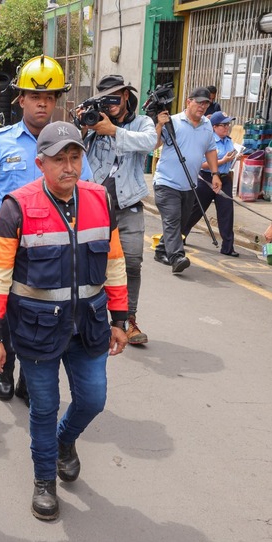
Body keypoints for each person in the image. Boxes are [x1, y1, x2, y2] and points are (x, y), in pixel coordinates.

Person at [0, 121, 128, 521]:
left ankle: (65, 442)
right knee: (43, 406)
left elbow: (114, 262)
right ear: (40, 163)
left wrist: (121, 316)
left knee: (93, 399)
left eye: (75, 156)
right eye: (59, 159)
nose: (69, 166)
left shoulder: (100, 199)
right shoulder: (15, 207)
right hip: (36, 328)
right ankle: (44, 479)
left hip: (91, 325)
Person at [0, 54, 93, 404]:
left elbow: (88, 196)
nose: (43, 103)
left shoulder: (73, 145)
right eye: (35, 96)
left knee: (44, 314)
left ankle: (30, 372)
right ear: (20, 98)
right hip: (9, 245)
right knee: (6, 312)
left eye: (50, 97)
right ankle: (5, 369)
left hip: (55, 247)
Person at [82, 75, 157, 345]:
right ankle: (94, 316)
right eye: (105, 98)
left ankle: (129, 320)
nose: (110, 103)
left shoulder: (142, 123)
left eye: (115, 97)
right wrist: (82, 127)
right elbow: (73, 155)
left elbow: (150, 142)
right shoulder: (93, 121)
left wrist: (113, 131)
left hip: (128, 207)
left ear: (126, 95)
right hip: (94, 208)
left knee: (132, 263)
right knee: (92, 263)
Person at [153, 87, 221, 273]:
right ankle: (177, 257)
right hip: (166, 183)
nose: (202, 106)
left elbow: (210, 149)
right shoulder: (173, 121)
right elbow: (154, 143)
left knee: (182, 223)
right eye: (199, 102)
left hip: (190, 184)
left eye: (206, 103)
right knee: (173, 220)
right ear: (188, 101)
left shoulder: (207, 125)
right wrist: (159, 125)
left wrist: (215, 174)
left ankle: (161, 251)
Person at [183, 111, 239, 257]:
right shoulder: (208, 141)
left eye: (228, 124)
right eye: (223, 125)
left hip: (225, 179)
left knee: (227, 212)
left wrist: (232, 160)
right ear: (214, 127)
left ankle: (228, 247)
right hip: (207, 179)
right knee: (196, 210)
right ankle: (180, 236)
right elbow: (201, 164)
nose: (227, 127)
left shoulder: (228, 140)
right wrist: (222, 161)